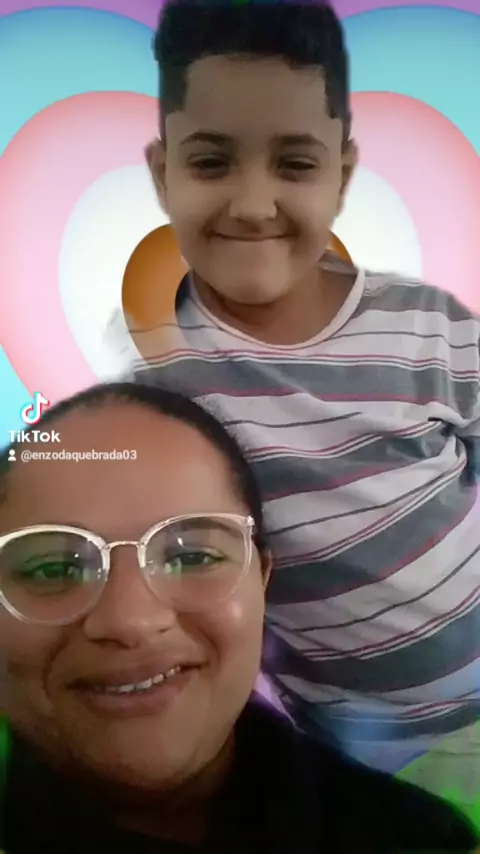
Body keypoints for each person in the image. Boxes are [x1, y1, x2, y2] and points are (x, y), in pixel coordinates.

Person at [129, 0, 480, 807]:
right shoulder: (163, 386)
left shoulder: (427, 322)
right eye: (212, 163)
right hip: (353, 745)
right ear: (163, 173)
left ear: (342, 176)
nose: (254, 204)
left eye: (294, 164)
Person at [0, 381, 479, 853]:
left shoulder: (415, 838)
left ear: (261, 579)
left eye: (192, 557)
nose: (130, 620)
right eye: (53, 569)